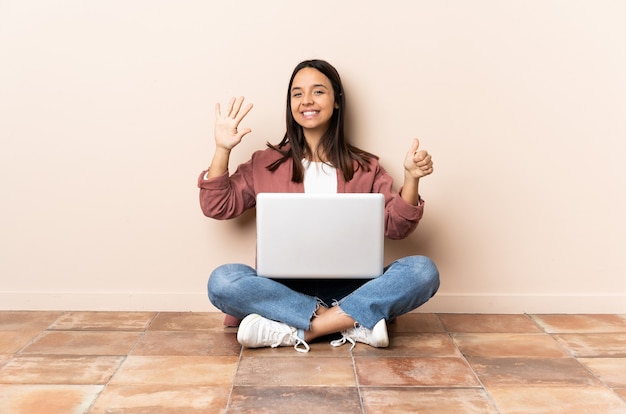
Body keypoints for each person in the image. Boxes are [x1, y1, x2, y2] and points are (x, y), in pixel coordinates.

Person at [198, 59, 439, 353]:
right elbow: (217, 205)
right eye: (297, 94)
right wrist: (222, 149)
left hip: (352, 288)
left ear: (337, 101)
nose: (306, 101)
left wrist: (411, 179)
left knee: (423, 271)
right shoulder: (265, 163)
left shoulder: (366, 167)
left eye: (318, 92)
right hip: (282, 289)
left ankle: (300, 330)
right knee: (222, 280)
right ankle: (353, 323)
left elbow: (397, 227)